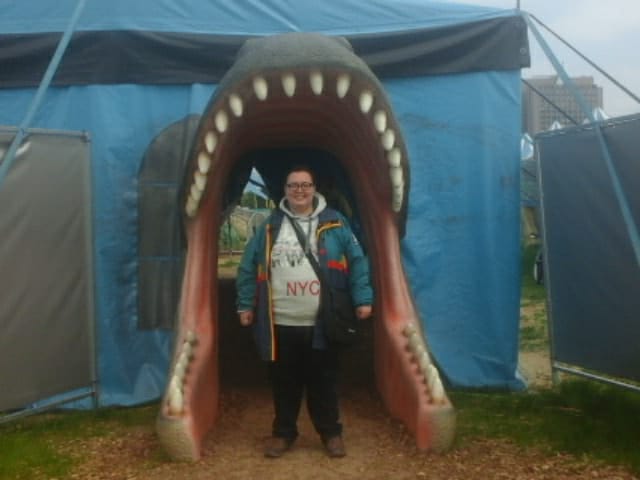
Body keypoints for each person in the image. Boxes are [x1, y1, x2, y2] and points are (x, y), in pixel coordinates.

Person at [236, 165, 373, 458]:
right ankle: (283, 433)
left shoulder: (335, 223)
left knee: (324, 381)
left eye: (305, 185)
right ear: (285, 191)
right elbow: (248, 266)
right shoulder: (269, 226)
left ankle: (331, 433)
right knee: (284, 383)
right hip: (280, 322)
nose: (299, 190)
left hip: (323, 322)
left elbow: (358, 262)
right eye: (293, 185)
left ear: (314, 189)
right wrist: (245, 304)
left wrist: (363, 298)